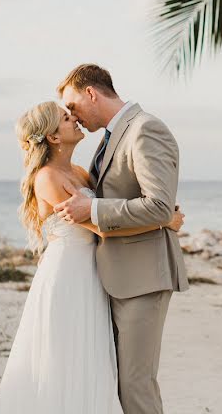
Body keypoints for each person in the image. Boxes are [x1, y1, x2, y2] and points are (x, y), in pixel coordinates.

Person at [0, 100, 184, 413]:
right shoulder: (48, 178)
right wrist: (163, 221)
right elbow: (102, 229)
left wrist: (156, 205)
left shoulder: (80, 172)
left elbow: (114, 209)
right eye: (66, 119)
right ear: (53, 137)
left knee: (90, 358)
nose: (75, 120)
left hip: (92, 274)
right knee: (65, 358)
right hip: (67, 275)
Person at [55, 63, 188, 414]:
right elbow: (152, 205)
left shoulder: (145, 129)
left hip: (143, 277)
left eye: (73, 107)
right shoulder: (112, 137)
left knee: (135, 386)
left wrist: (94, 211)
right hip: (117, 279)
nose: (73, 116)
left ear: (91, 93)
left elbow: (158, 205)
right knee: (117, 383)